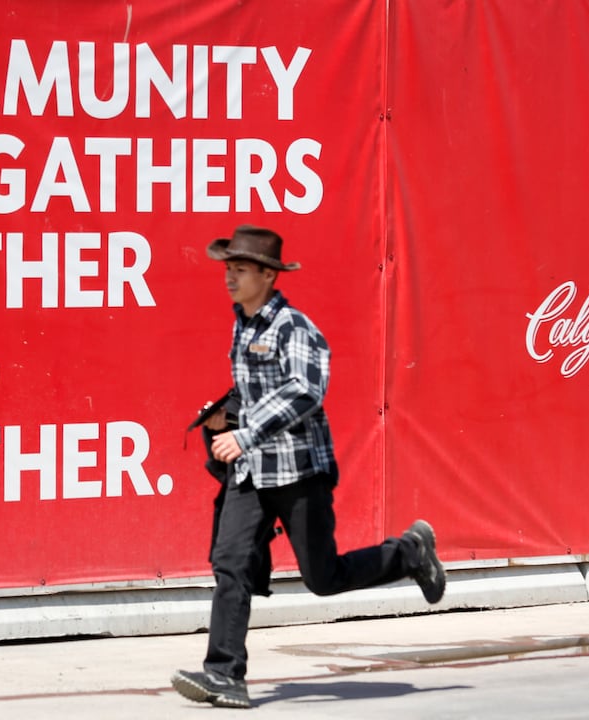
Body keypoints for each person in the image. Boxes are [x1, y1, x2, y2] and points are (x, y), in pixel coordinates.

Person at [171, 225, 446, 709]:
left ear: (267, 275)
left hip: (299, 473)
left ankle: (408, 553)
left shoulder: (295, 328)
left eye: (239, 270)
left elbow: (304, 392)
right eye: (228, 270)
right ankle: (224, 675)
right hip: (253, 473)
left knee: (323, 578)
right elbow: (257, 393)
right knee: (230, 564)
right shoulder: (244, 324)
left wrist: (247, 430)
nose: (229, 279)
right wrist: (225, 416)